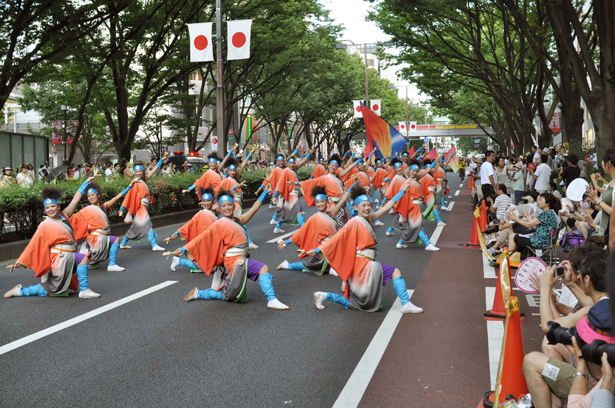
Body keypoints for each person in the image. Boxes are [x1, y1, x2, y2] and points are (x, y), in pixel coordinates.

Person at [309, 184, 423, 314]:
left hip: (365, 263)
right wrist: (318, 250)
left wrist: (401, 192)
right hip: (363, 263)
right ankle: (406, 303)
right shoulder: (354, 221)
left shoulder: (368, 218)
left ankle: (323, 295)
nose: (367, 208)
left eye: (369, 205)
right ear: (355, 207)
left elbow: (386, 207)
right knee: (395, 272)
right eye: (363, 205)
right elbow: (337, 238)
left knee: (359, 302)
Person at [522, 249, 611, 408]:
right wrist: (570, 283)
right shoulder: (603, 308)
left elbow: (549, 328)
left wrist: (544, 289)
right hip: (606, 378)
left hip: (595, 389)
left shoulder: (590, 314)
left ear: (588, 280)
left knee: (531, 360)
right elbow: (593, 304)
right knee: (551, 345)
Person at [178, 187, 290, 310]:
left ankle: (199, 293)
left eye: (229, 205)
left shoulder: (240, 220)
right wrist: (184, 249)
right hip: (233, 260)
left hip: (240, 258)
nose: (227, 208)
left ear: (234, 206)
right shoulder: (220, 223)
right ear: (219, 208)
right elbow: (203, 238)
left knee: (229, 295)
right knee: (263, 268)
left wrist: (264, 193)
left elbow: (254, 208)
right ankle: (272, 299)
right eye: (223, 206)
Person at [4, 184, 101, 299]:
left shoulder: (64, 216)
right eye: (47, 208)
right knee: (81, 260)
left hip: (67, 255)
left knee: (51, 289)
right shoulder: (45, 224)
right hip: (59, 257)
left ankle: (21, 290)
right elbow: (34, 243)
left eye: (53, 206)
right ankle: (84, 290)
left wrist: (86, 183)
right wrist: (21, 261)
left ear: (58, 206)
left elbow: (75, 199)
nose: (50, 210)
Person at [276, 184, 352, 274]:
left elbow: (343, 199)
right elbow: (302, 231)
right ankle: (287, 265)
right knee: (310, 265)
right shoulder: (314, 217)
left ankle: (333, 266)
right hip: (324, 248)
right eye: (317, 202)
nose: (320, 204)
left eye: (322, 201)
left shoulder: (332, 213)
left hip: (335, 245)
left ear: (327, 202)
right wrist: (287, 242)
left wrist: (355, 182)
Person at [70, 180, 137, 272]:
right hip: (94, 238)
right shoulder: (87, 209)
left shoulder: (104, 206)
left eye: (93, 195)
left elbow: (117, 197)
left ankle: (92, 263)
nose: (90, 197)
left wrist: (130, 186)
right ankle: (112, 264)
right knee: (115, 240)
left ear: (98, 195)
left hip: (103, 236)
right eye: (88, 196)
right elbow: (73, 219)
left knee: (90, 261)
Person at [118, 158, 167, 251]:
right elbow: (128, 195)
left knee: (135, 226)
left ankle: (123, 243)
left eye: (140, 171)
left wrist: (161, 160)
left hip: (144, 205)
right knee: (147, 224)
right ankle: (154, 245)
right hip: (140, 206)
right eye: (136, 171)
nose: (138, 173)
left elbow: (154, 170)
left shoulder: (144, 179)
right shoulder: (134, 182)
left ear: (143, 171)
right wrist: (122, 208)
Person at [168, 187, 218, 272]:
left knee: (217, 265)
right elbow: (190, 223)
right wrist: (178, 232)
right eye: (204, 201)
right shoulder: (201, 213)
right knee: (209, 267)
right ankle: (179, 261)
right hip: (204, 241)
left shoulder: (217, 212)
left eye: (208, 200)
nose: (206, 203)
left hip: (213, 241)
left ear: (213, 201)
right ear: (201, 202)